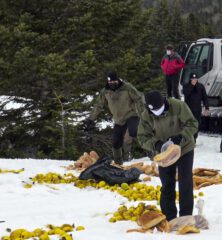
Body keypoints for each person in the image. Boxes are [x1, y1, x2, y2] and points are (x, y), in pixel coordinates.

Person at [137, 91, 198, 221]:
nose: (157, 112)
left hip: (184, 148)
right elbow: (142, 137)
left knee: (185, 182)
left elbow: (192, 124)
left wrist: (181, 136)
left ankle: (186, 216)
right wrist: (157, 144)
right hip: (164, 154)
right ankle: (169, 216)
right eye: (154, 111)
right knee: (167, 183)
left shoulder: (178, 106)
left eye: (159, 109)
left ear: (164, 102)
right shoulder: (146, 115)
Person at [83, 71, 145, 165]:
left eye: (114, 82)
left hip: (131, 115)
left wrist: (143, 113)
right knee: (116, 143)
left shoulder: (127, 87)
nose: (112, 84)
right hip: (118, 120)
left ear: (117, 80)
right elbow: (98, 105)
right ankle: (118, 163)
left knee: (133, 131)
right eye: (110, 82)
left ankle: (150, 151)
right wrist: (91, 119)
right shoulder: (105, 91)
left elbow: (139, 98)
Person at [182, 73, 209, 141]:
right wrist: (191, 86)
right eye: (193, 79)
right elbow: (186, 93)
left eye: (195, 79)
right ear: (190, 79)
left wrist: (207, 108)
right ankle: (188, 138)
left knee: (196, 124)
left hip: (197, 110)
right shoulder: (186, 86)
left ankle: (194, 139)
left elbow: (205, 98)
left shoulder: (200, 86)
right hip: (188, 109)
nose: (194, 80)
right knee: (188, 124)